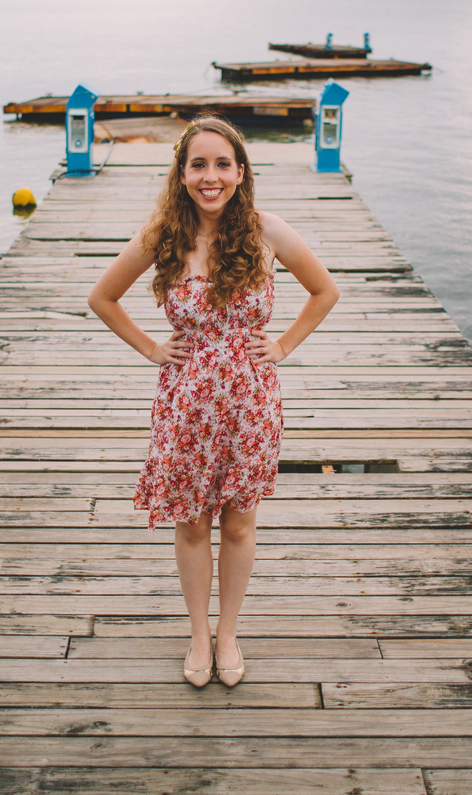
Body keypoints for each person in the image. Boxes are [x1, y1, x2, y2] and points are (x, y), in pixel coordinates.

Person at [87, 115, 339, 687]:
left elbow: (326, 291)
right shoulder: (162, 237)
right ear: (181, 174)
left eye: (222, 164)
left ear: (241, 172)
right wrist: (153, 348)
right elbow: (102, 297)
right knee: (193, 525)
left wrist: (283, 344)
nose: (210, 176)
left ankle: (229, 633)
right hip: (185, 404)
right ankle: (198, 634)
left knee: (241, 526)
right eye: (198, 164)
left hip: (249, 403)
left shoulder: (267, 231)